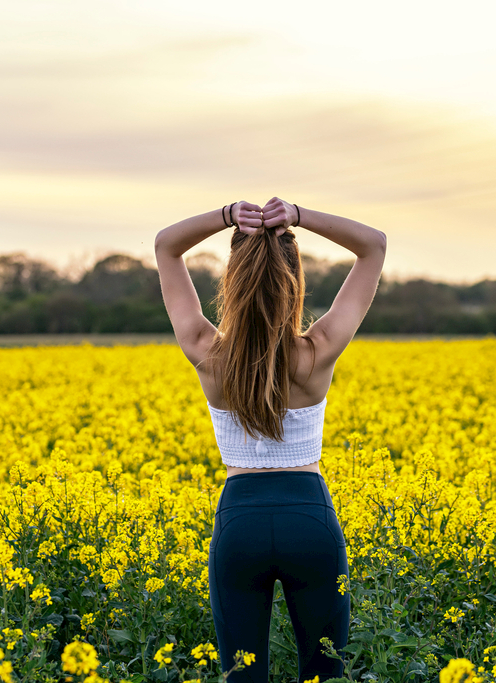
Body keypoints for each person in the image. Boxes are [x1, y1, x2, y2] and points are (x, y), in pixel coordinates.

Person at [155, 197, 386, 682]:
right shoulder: (318, 351)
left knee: (242, 677)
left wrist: (227, 215)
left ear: (231, 282)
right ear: (295, 281)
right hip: (311, 521)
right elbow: (374, 246)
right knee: (326, 673)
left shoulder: (206, 352)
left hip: (240, 526)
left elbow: (166, 246)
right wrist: (297, 215)